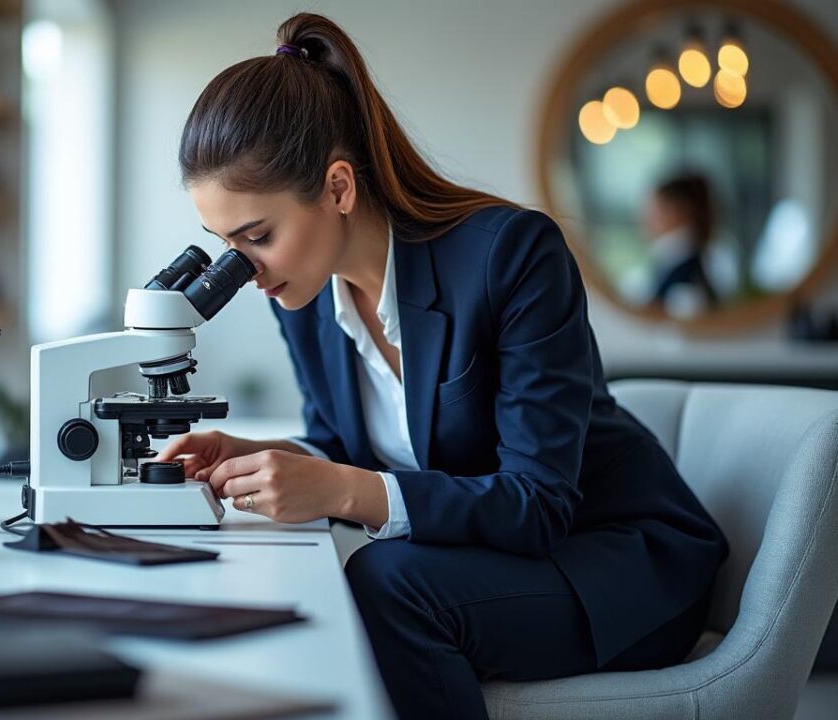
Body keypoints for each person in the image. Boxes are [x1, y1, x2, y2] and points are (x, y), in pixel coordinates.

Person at [154, 13, 728, 719]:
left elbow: (538, 504)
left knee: (388, 582)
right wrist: (258, 457)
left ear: (338, 188)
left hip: (614, 562)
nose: (246, 272)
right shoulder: (300, 296)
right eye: (226, 246)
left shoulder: (511, 256)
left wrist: (340, 489)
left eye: (257, 237)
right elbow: (341, 447)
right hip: (499, 562)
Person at [642, 173, 720, 316]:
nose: (646, 220)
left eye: (655, 210)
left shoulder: (685, 288)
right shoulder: (674, 267)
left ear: (677, 211)